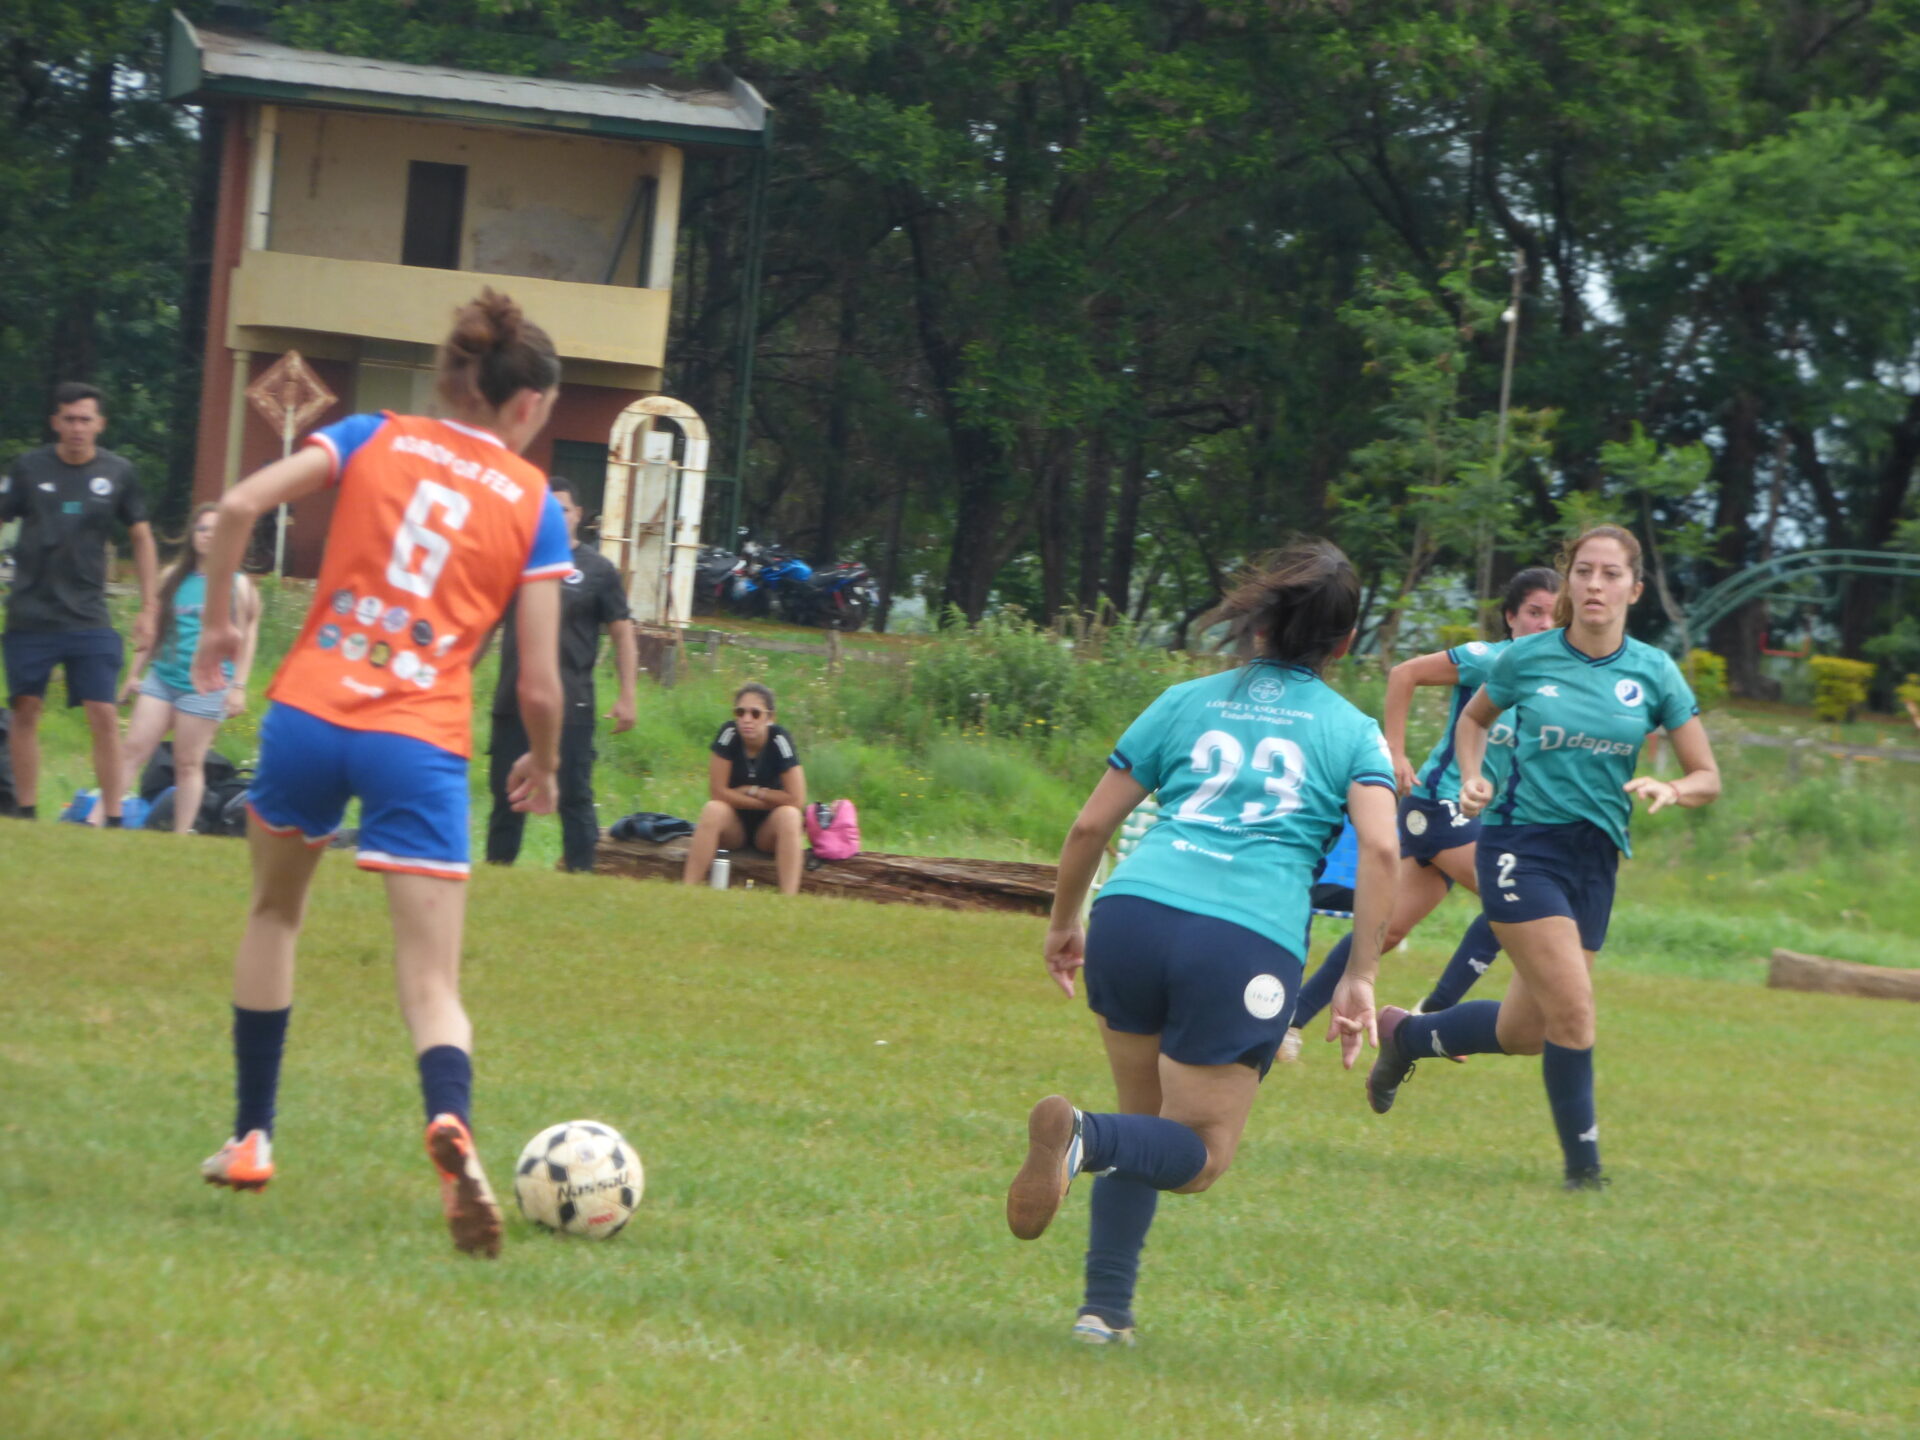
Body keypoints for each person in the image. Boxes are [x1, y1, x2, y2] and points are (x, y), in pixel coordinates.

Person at [190, 289, 570, 1258]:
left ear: (450, 376)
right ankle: (450, 1123)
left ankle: (251, 1138)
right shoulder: (533, 504)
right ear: (527, 404)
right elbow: (538, 682)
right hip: (419, 737)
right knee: (432, 981)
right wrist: (544, 760)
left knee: (274, 914)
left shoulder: (371, 435)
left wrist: (219, 629)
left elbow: (238, 506)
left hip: (310, 711)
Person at [1004, 539, 1400, 1346]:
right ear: (1346, 642)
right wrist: (1359, 973)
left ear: (1259, 625)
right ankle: (1079, 1137)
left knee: (1143, 1119)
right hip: (1242, 942)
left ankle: (1103, 1312)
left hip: (1133, 914)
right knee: (1200, 1152)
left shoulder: (1185, 700)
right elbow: (1384, 850)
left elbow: (1088, 827)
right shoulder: (1354, 733)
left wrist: (1064, 922)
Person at [1365, 524, 1721, 1191]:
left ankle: (1406, 1036)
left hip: (1595, 861)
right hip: (1520, 847)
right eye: (1584, 571)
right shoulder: (1528, 657)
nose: (1594, 585)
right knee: (1575, 1011)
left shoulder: (1653, 671)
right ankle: (1585, 1176)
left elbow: (1708, 776)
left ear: (1634, 589)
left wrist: (1673, 788)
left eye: (1611, 574)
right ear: (1569, 582)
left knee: (1528, 1030)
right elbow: (1473, 720)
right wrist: (1474, 777)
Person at [1279, 567, 1561, 1058]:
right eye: (1534, 612)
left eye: (1555, 617)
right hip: (1437, 805)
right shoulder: (1486, 659)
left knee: (1387, 931)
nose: (1544, 624)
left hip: (1474, 817)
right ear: (1511, 617)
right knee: (1514, 895)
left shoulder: (1553, 687)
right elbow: (1404, 674)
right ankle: (1435, 1012)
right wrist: (1395, 751)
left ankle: (1291, 1020)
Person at [1, 383, 157, 824]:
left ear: (99, 424)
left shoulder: (119, 472)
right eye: (68, 419)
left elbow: (142, 537)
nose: (76, 428)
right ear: (56, 422)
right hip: (30, 612)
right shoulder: (29, 468)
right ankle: (26, 812)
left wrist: (149, 608)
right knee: (25, 708)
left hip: (88, 614)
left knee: (103, 711)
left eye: (85, 419)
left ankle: (112, 818)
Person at [485, 476, 638, 872]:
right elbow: (485, 625)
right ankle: (496, 874)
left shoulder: (598, 570)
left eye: (563, 509)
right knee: (506, 796)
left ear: (578, 515)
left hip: (572, 706)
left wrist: (627, 696)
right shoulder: (516, 562)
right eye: (546, 510)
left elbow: (622, 633)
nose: (554, 516)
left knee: (574, 796)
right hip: (513, 701)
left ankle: (580, 875)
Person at [111, 504, 261, 833]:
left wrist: (238, 687)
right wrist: (133, 674)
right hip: (163, 677)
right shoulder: (172, 577)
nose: (208, 536)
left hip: (206, 686)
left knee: (188, 763)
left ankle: (181, 834)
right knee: (132, 749)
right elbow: (153, 630)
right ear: (192, 534)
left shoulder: (239, 585)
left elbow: (247, 639)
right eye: (202, 529)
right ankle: (102, 819)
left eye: (216, 530)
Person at [681, 682, 809, 895]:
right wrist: (769, 799)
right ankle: (687, 889)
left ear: (770, 717)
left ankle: (789, 897)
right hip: (735, 827)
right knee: (713, 809)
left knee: (790, 816)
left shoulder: (779, 740)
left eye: (755, 714)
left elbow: (796, 799)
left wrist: (753, 791)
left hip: (769, 830)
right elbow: (717, 792)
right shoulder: (729, 734)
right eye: (740, 712)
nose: (746, 719)